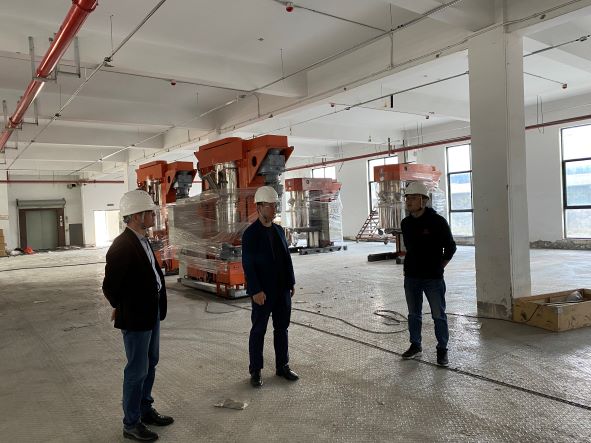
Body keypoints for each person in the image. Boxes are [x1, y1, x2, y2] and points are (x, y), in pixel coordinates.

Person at [102, 189, 173, 442]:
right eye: (148, 212)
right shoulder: (121, 246)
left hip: (151, 312)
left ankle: (145, 409)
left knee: (150, 362)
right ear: (135, 216)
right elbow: (110, 286)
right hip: (136, 316)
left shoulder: (143, 240)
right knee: (136, 370)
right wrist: (121, 305)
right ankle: (131, 423)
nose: (153, 215)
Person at [242, 185, 299, 387]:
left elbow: (286, 258)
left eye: (275, 205)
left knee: (282, 329)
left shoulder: (278, 230)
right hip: (263, 292)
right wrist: (255, 290)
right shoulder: (250, 234)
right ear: (259, 207)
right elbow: (248, 265)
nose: (275, 209)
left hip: (282, 290)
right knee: (259, 330)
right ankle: (256, 370)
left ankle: (282, 366)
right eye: (270, 205)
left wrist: (291, 282)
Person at [400, 181, 456, 367]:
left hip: (433, 278)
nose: (409, 201)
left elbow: (450, 247)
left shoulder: (437, 222)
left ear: (423, 201)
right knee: (413, 314)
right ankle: (415, 345)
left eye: (413, 198)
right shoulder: (406, 223)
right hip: (411, 277)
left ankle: (442, 349)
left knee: (438, 315)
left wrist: (440, 266)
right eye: (407, 198)